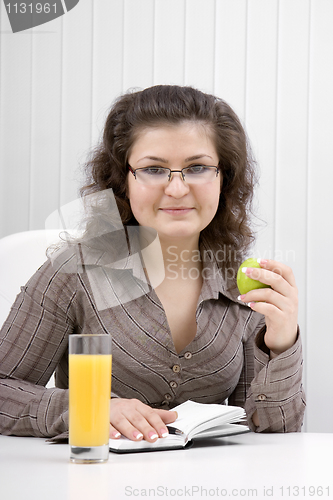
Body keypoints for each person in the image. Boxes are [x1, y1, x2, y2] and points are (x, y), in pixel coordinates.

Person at [0, 85, 305, 442]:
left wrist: (282, 342)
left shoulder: (242, 284)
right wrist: (88, 406)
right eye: (154, 169)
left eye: (197, 167)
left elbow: (270, 435)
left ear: (224, 178)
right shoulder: (74, 274)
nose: (177, 189)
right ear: (122, 180)